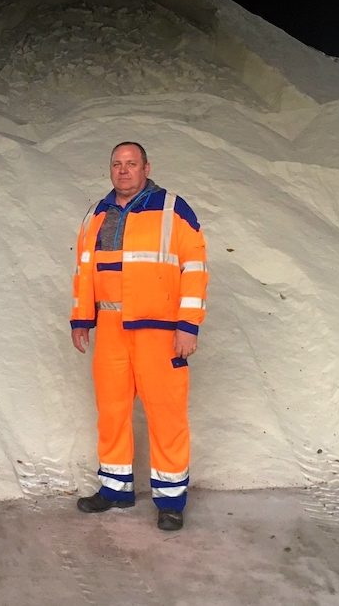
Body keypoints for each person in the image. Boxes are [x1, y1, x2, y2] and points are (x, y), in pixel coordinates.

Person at [70, 142, 207, 531]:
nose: (123, 170)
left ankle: (170, 501)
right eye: (117, 164)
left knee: (166, 414)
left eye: (131, 164)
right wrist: (81, 319)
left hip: (159, 332)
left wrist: (188, 325)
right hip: (111, 329)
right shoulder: (96, 215)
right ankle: (115, 489)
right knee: (112, 411)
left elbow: (195, 268)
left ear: (147, 167)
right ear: (109, 169)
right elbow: (84, 271)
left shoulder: (172, 209)